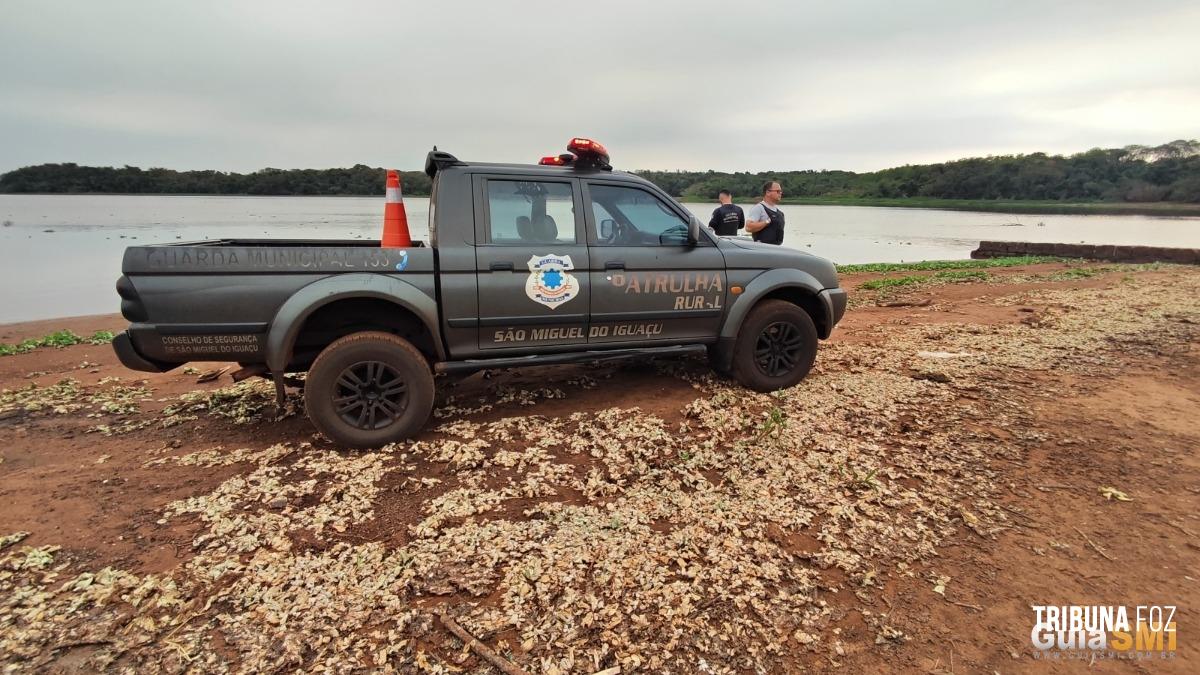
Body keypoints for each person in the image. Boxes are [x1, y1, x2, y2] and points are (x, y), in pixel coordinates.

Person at [745, 180, 785, 245]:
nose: (780, 193)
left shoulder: (780, 213)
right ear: (768, 192)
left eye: (781, 191)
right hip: (762, 249)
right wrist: (766, 222)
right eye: (777, 191)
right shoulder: (759, 208)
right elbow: (748, 227)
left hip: (777, 249)